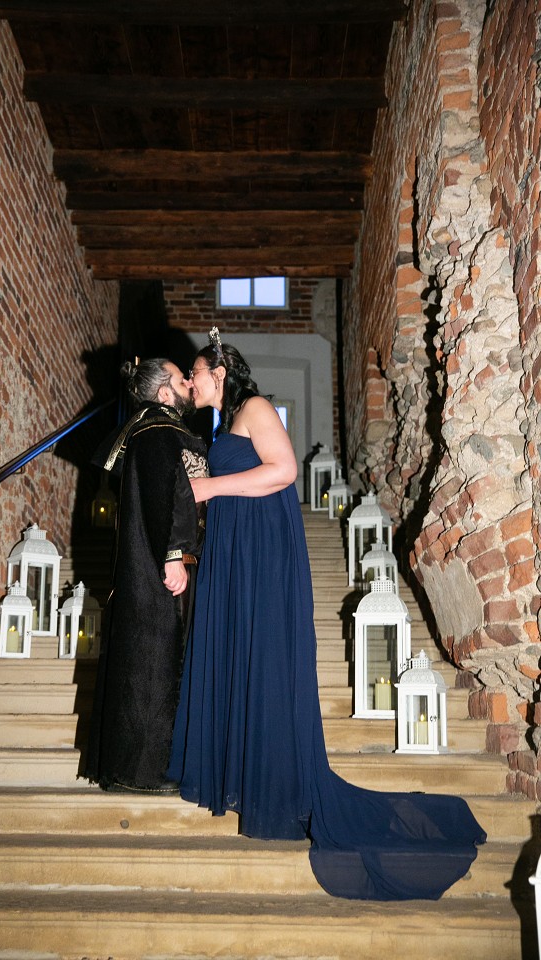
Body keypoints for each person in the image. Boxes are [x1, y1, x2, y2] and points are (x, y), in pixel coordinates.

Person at [168, 328, 486, 900]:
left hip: (263, 551)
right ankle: (247, 776)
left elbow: (284, 471)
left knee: (265, 660)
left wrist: (208, 487)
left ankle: (278, 788)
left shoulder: (255, 407)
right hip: (237, 550)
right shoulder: (221, 422)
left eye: (194, 374)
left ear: (219, 373)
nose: (190, 383)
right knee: (242, 659)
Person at [85, 358, 208, 793]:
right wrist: (173, 555)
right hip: (158, 569)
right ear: (163, 393)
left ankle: (139, 767)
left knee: (155, 658)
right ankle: (142, 771)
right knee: (153, 662)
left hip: (156, 564)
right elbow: (164, 498)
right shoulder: (157, 431)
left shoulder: (159, 428)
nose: (189, 382)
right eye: (181, 378)